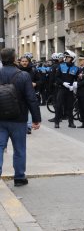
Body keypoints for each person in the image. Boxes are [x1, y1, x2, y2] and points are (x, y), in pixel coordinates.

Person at [0, 48, 41, 187]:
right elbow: (31, 99)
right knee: (19, 149)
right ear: (14, 59)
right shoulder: (23, 76)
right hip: (19, 118)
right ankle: (19, 177)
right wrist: (36, 119)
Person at [54, 50, 78, 128]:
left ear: (73, 59)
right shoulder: (61, 66)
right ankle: (56, 122)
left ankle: (71, 122)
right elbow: (56, 77)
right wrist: (63, 83)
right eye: (66, 57)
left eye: (68, 57)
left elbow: (77, 80)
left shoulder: (76, 68)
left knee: (70, 106)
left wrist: (74, 86)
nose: (66, 58)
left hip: (70, 90)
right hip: (61, 89)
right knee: (58, 105)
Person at [19, 53, 42, 134]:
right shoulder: (17, 70)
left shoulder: (33, 70)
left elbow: (40, 81)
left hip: (31, 92)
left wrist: (35, 84)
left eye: (26, 61)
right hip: (20, 93)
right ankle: (22, 126)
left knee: (30, 109)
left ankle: (28, 126)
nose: (24, 62)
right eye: (23, 61)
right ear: (20, 62)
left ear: (28, 62)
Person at [48, 53, 64, 122]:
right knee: (60, 102)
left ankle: (57, 117)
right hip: (61, 86)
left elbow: (51, 78)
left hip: (55, 86)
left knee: (55, 102)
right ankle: (61, 116)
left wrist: (49, 87)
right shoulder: (62, 65)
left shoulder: (53, 66)